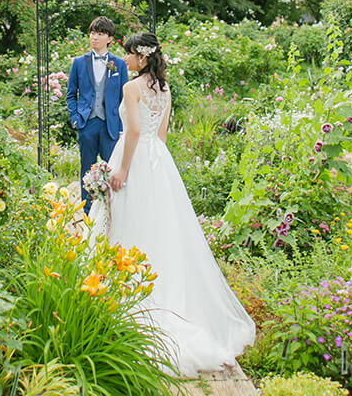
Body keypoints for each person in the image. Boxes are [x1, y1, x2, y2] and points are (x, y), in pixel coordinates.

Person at [88, 31, 255, 377]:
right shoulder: (164, 89)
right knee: (160, 227)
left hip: (133, 157)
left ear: (143, 58)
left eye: (130, 54)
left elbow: (133, 132)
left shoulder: (131, 89)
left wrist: (121, 169)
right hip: (159, 162)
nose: (127, 59)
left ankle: (129, 298)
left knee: (130, 224)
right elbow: (160, 136)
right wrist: (153, 163)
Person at [66, 16, 128, 213]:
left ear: (109, 38)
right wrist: (76, 119)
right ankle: (88, 215)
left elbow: (124, 98)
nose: (94, 37)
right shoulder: (78, 63)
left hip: (111, 126)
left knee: (112, 170)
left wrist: (121, 128)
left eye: (100, 34)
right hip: (87, 124)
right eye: (92, 33)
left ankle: (112, 213)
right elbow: (71, 94)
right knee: (87, 171)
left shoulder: (119, 65)